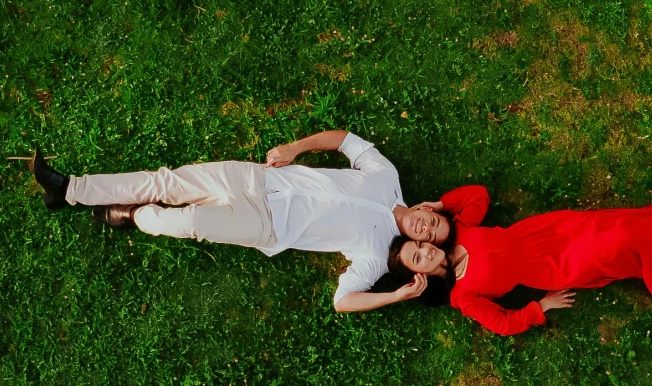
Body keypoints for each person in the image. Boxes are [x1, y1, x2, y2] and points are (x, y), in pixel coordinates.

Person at [31, 131, 451, 313]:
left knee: (186, 221)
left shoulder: (378, 257)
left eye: (430, 245)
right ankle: (68, 189)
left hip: (263, 226)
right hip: (259, 178)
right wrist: (296, 148)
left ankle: (134, 216)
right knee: (168, 180)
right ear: (429, 208)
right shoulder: (386, 177)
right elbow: (345, 142)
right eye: (433, 226)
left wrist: (396, 296)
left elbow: (343, 302)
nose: (426, 234)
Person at [393, 185, 652, 336]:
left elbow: (477, 195)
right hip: (553, 267)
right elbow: (502, 324)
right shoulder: (462, 297)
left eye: (419, 243)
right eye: (419, 258)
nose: (426, 248)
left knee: (624, 225)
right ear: (420, 277)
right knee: (622, 240)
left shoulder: (460, 230)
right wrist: (541, 307)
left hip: (548, 231)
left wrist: (440, 205)